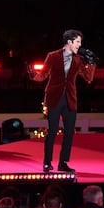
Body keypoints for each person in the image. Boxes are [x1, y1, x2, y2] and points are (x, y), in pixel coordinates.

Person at [29, 29, 96, 172]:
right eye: (77, 41)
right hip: (55, 98)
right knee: (52, 131)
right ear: (69, 42)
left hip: (70, 99)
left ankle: (63, 162)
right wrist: (33, 75)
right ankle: (47, 162)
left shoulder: (78, 59)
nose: (79, 45)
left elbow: (88, 78)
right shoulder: (52, 56)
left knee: (69, 132)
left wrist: (91, 63)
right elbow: (43, 75)